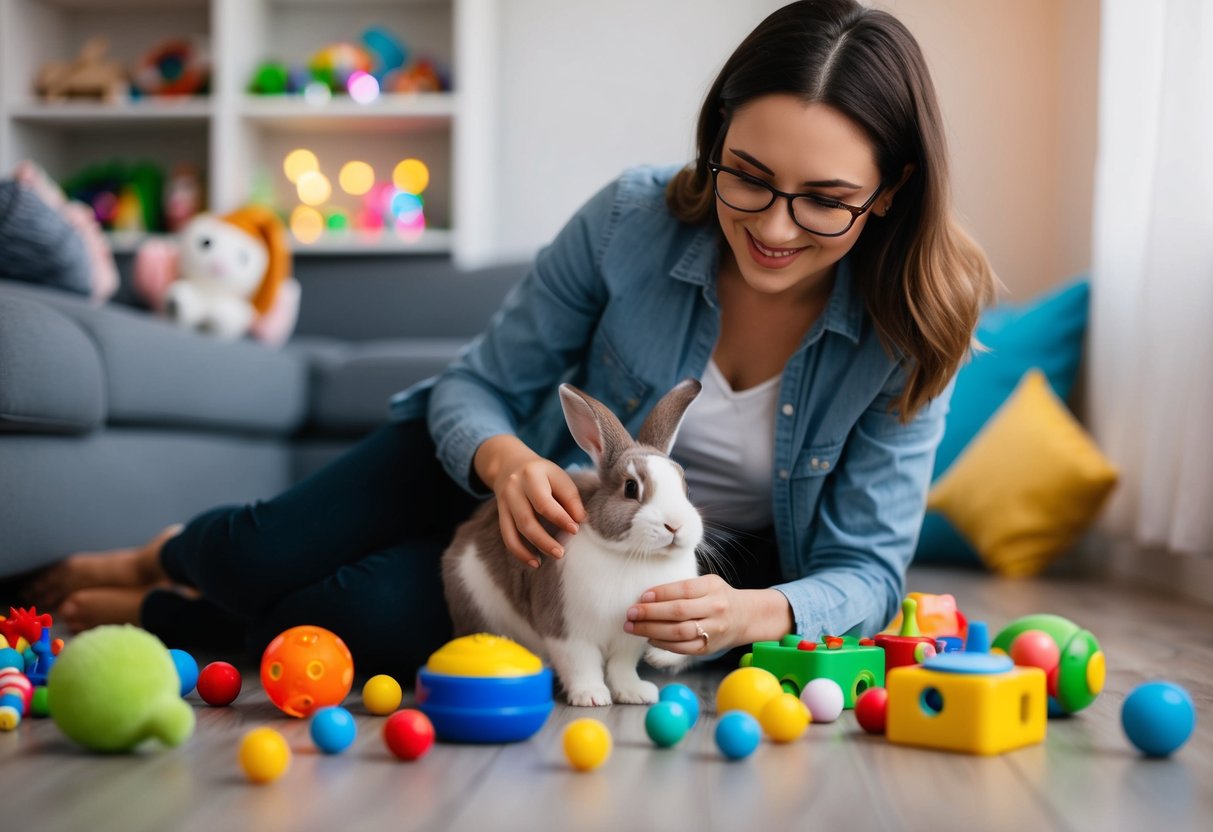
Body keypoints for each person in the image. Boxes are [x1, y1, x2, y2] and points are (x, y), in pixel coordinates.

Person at [25, 0, 996, 677]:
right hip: (499, 475)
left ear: (891, 189)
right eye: (747, 176)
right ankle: (156, 557)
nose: (775, 227)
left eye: (825, 201)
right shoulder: (632, 219)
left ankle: (158, 612)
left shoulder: (914, 329)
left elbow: (867, 571)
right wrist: (501, 461)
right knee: (260, 552)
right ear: (715, 141)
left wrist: (752, 611)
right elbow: (476, 385)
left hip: (602, 571)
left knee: (353, 618)